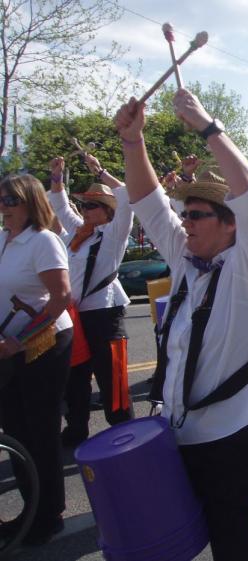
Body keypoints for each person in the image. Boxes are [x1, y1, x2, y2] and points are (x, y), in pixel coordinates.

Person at [114, 89, 248, 561]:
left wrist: (208, 126)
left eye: (196, 214)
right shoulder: (188, 260)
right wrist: (133, 143)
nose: (184, 222)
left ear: (229, 224)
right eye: (185, 213)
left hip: (243, 441)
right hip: (184, 440)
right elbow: (149, 202)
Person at [0, 174, 73, 545]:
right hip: (9, 345)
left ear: (30, 201)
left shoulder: (43, 241)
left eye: (10, 200)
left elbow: (60, 297)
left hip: (43, 344)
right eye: (0, 199)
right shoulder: (4, 240)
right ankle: (31, 512)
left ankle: (50, 515)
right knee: (14, 429)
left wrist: (18, 341)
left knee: (39, 430)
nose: (3, 206)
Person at [48, 154, 135, 446]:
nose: (85, 209)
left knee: (113, 377)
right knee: (75, 377)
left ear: (107, 210)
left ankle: (123, 430)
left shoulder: (113, 234)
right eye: (83, 204)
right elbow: (59, 205)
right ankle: (76, 429)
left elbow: (125, 197)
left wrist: (101, 172)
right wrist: (57, 178)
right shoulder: (77, 233)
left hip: (105, 314)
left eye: (92, 205)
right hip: (75, 316)